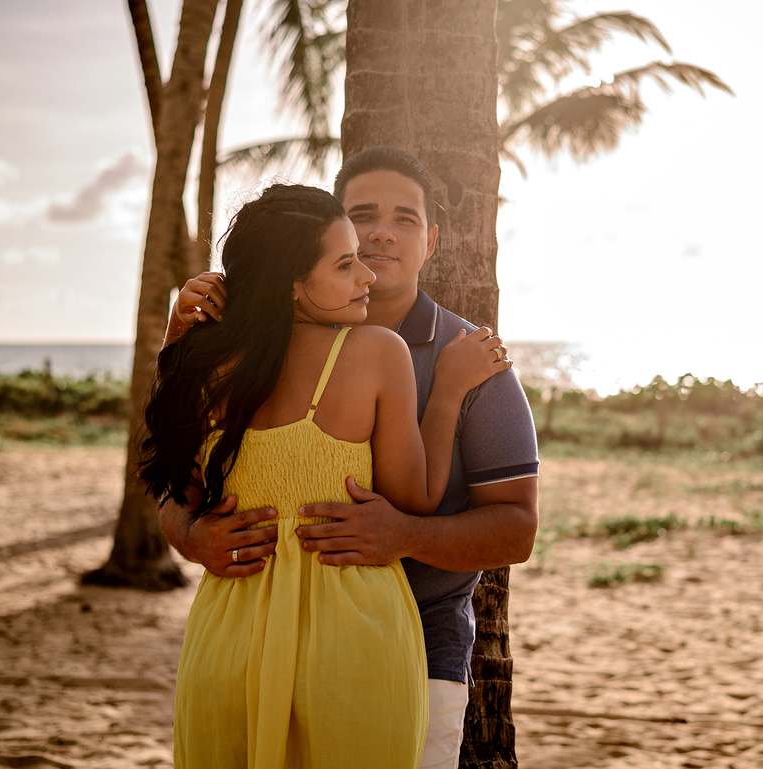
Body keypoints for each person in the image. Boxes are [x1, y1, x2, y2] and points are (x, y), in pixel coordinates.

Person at [160, 147, 540, 769]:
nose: (380, 235)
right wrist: (194, 536)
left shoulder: (472, 361)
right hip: (268, 639)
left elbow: (517, 530)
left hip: (410, 647)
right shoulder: (251, 352)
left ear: (432, 241)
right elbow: (178, 497)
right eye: (362, 217)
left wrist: (404, 535)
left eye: (405, 218)